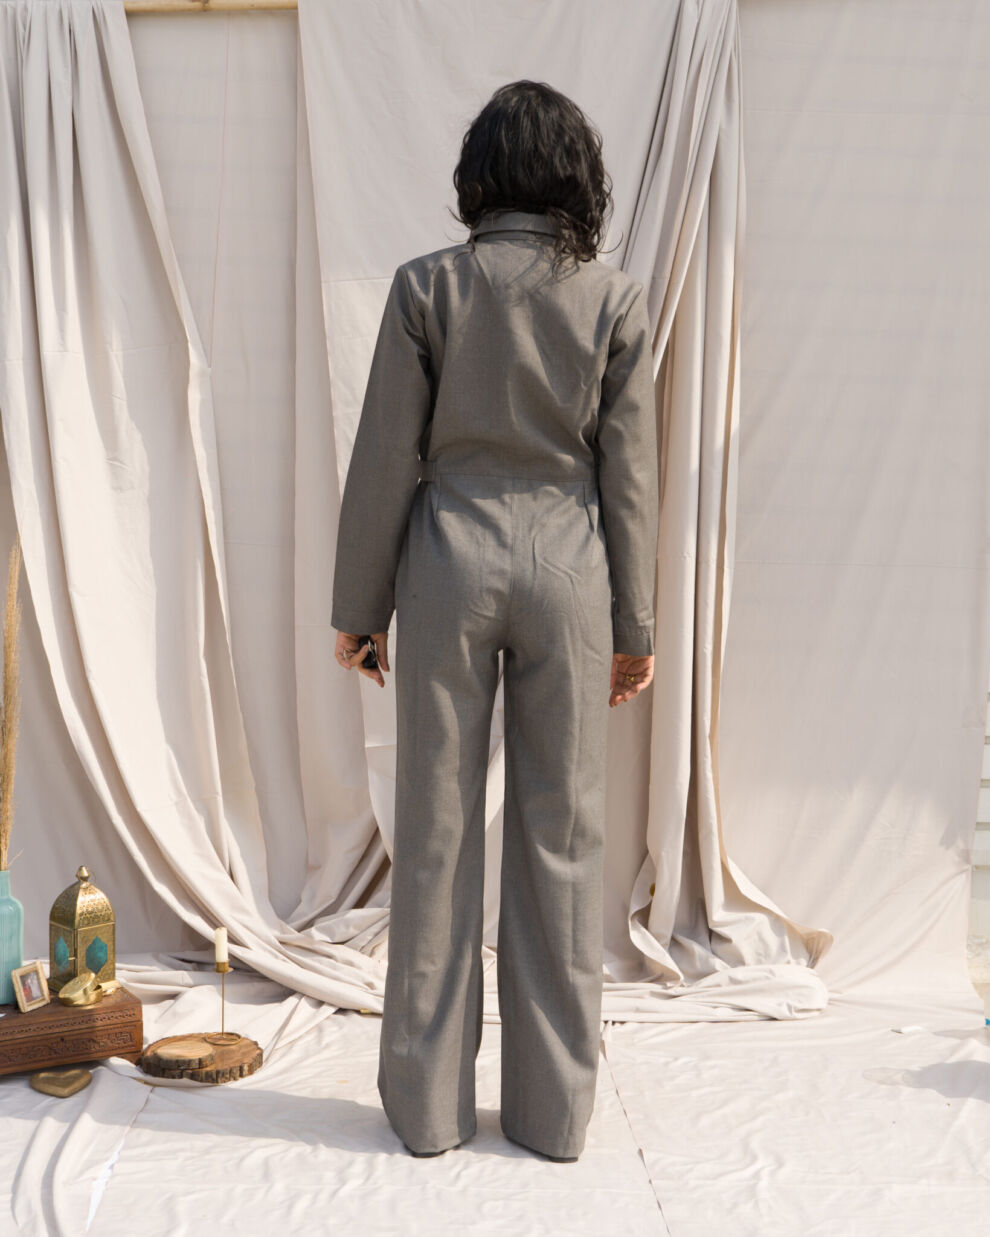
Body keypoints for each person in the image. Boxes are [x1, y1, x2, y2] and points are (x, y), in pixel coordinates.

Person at [331, 80, 658, 1162]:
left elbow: (386, 456)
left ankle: (427, 1112)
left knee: (433, 833)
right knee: (562, 837)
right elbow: (631, 480)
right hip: (570, 572)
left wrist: (359, 608)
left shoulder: (427, 286)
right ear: (577, 178)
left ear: (480, 176)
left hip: (447, 568)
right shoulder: (613, 300)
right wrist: (635, 626)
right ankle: (552, 1114)